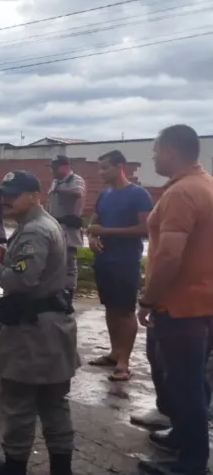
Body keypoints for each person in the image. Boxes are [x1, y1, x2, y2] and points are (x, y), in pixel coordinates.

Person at [0, 170, 81, 475]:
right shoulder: (43, 224)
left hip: (32, 334)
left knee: (20, 405)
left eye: (14, 194)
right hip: (51, 327)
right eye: (5, 194)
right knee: (54, 404)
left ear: (35, 195)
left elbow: (20, 281)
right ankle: (61, 468)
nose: (7, 200)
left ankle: (14, 467)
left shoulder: (35, 229)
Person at [136, 124, 213, 475]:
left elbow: (169, 256)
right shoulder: (205, 183)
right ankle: (183, 434)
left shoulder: (182, 193)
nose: (152, 156)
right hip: (203, 302)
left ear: (170, 150)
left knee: (183, 384)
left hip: (181, 306)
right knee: (194, 380)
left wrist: (148, 301)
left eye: (155, 149)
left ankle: (191, 464)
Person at [86, 150, 153, 382]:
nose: (101, 172)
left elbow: (145, 229)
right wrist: (93, 238)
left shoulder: (138, 194)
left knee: (124, 311)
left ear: (119, 166)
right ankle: (115, 353)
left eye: (105, 167)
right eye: (99, 167)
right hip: (104, 261)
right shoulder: (104, 194)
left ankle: (124, 362)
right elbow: (94, 222)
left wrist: (106, 232)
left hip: (125, 262)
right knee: (110, 308)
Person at [46, 155, 86, 312]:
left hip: (68, 228)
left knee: (69, 263)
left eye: (55, 168)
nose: (52, 171)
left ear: (65, 166)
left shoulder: (75, 179)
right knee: (55, 262)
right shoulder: (56, 181)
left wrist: (59, 189)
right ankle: (56, 292)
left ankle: (68, 294)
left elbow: (78, 192)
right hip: (55, 226)